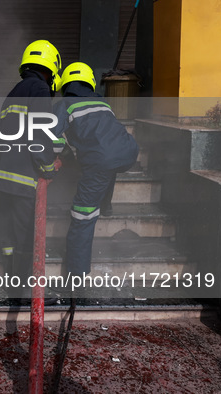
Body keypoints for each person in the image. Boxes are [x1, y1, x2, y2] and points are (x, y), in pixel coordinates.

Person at [0, 40, 61, 298]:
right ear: (52, 68)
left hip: (2, 178)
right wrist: (50, 167)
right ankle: (22, 288)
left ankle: (9, 280)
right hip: (24, 180)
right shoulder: (40, 90)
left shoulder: (15, 91)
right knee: (26, 236)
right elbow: (39, 137)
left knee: (7, 232)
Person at [52, 62, 139, 276]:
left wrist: (62, 156)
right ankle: (105, 205)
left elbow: (51, 137)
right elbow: (109, 137)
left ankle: (76, 273)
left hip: (102, 160)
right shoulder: (102, 102)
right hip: (129, 150)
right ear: (89, 81)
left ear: (66, 84)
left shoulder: (64, 105)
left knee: (82, 215)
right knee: (108, 165)